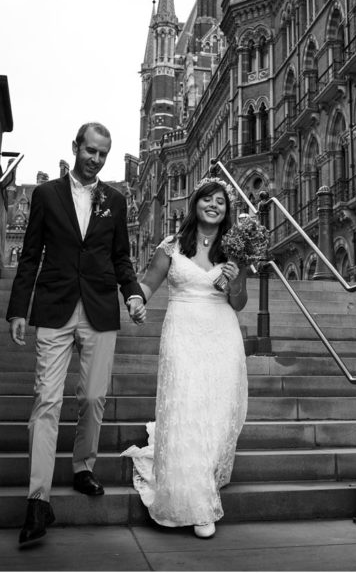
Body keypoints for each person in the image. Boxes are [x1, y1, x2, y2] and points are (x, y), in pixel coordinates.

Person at [6, 122, 146, 547]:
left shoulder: (115, 202)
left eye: (103, 154)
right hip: (54, 307)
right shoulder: (46, 196)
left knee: (92, 396)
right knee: (46, 400)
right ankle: (38, 498)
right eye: (90, 151)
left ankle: (83, 467)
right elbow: (30, 255)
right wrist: (18, 309)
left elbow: (121, 257)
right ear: (76, 147)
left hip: (101, 308)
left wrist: (134, 294)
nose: (96, 159)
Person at [121, 177, 250, 539]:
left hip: (221, 333)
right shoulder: (171, 246)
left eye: (221, 202)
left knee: (218, 410)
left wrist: (236, 280)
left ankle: (205, 479)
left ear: (227, 211)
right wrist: (135, 300)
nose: (214, 205)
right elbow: (148, 284)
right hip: (182, 332)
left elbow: (238, 303)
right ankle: (194, 502)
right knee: (187, 408)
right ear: (195, 204)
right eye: (207, 199)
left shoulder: (233, 249)